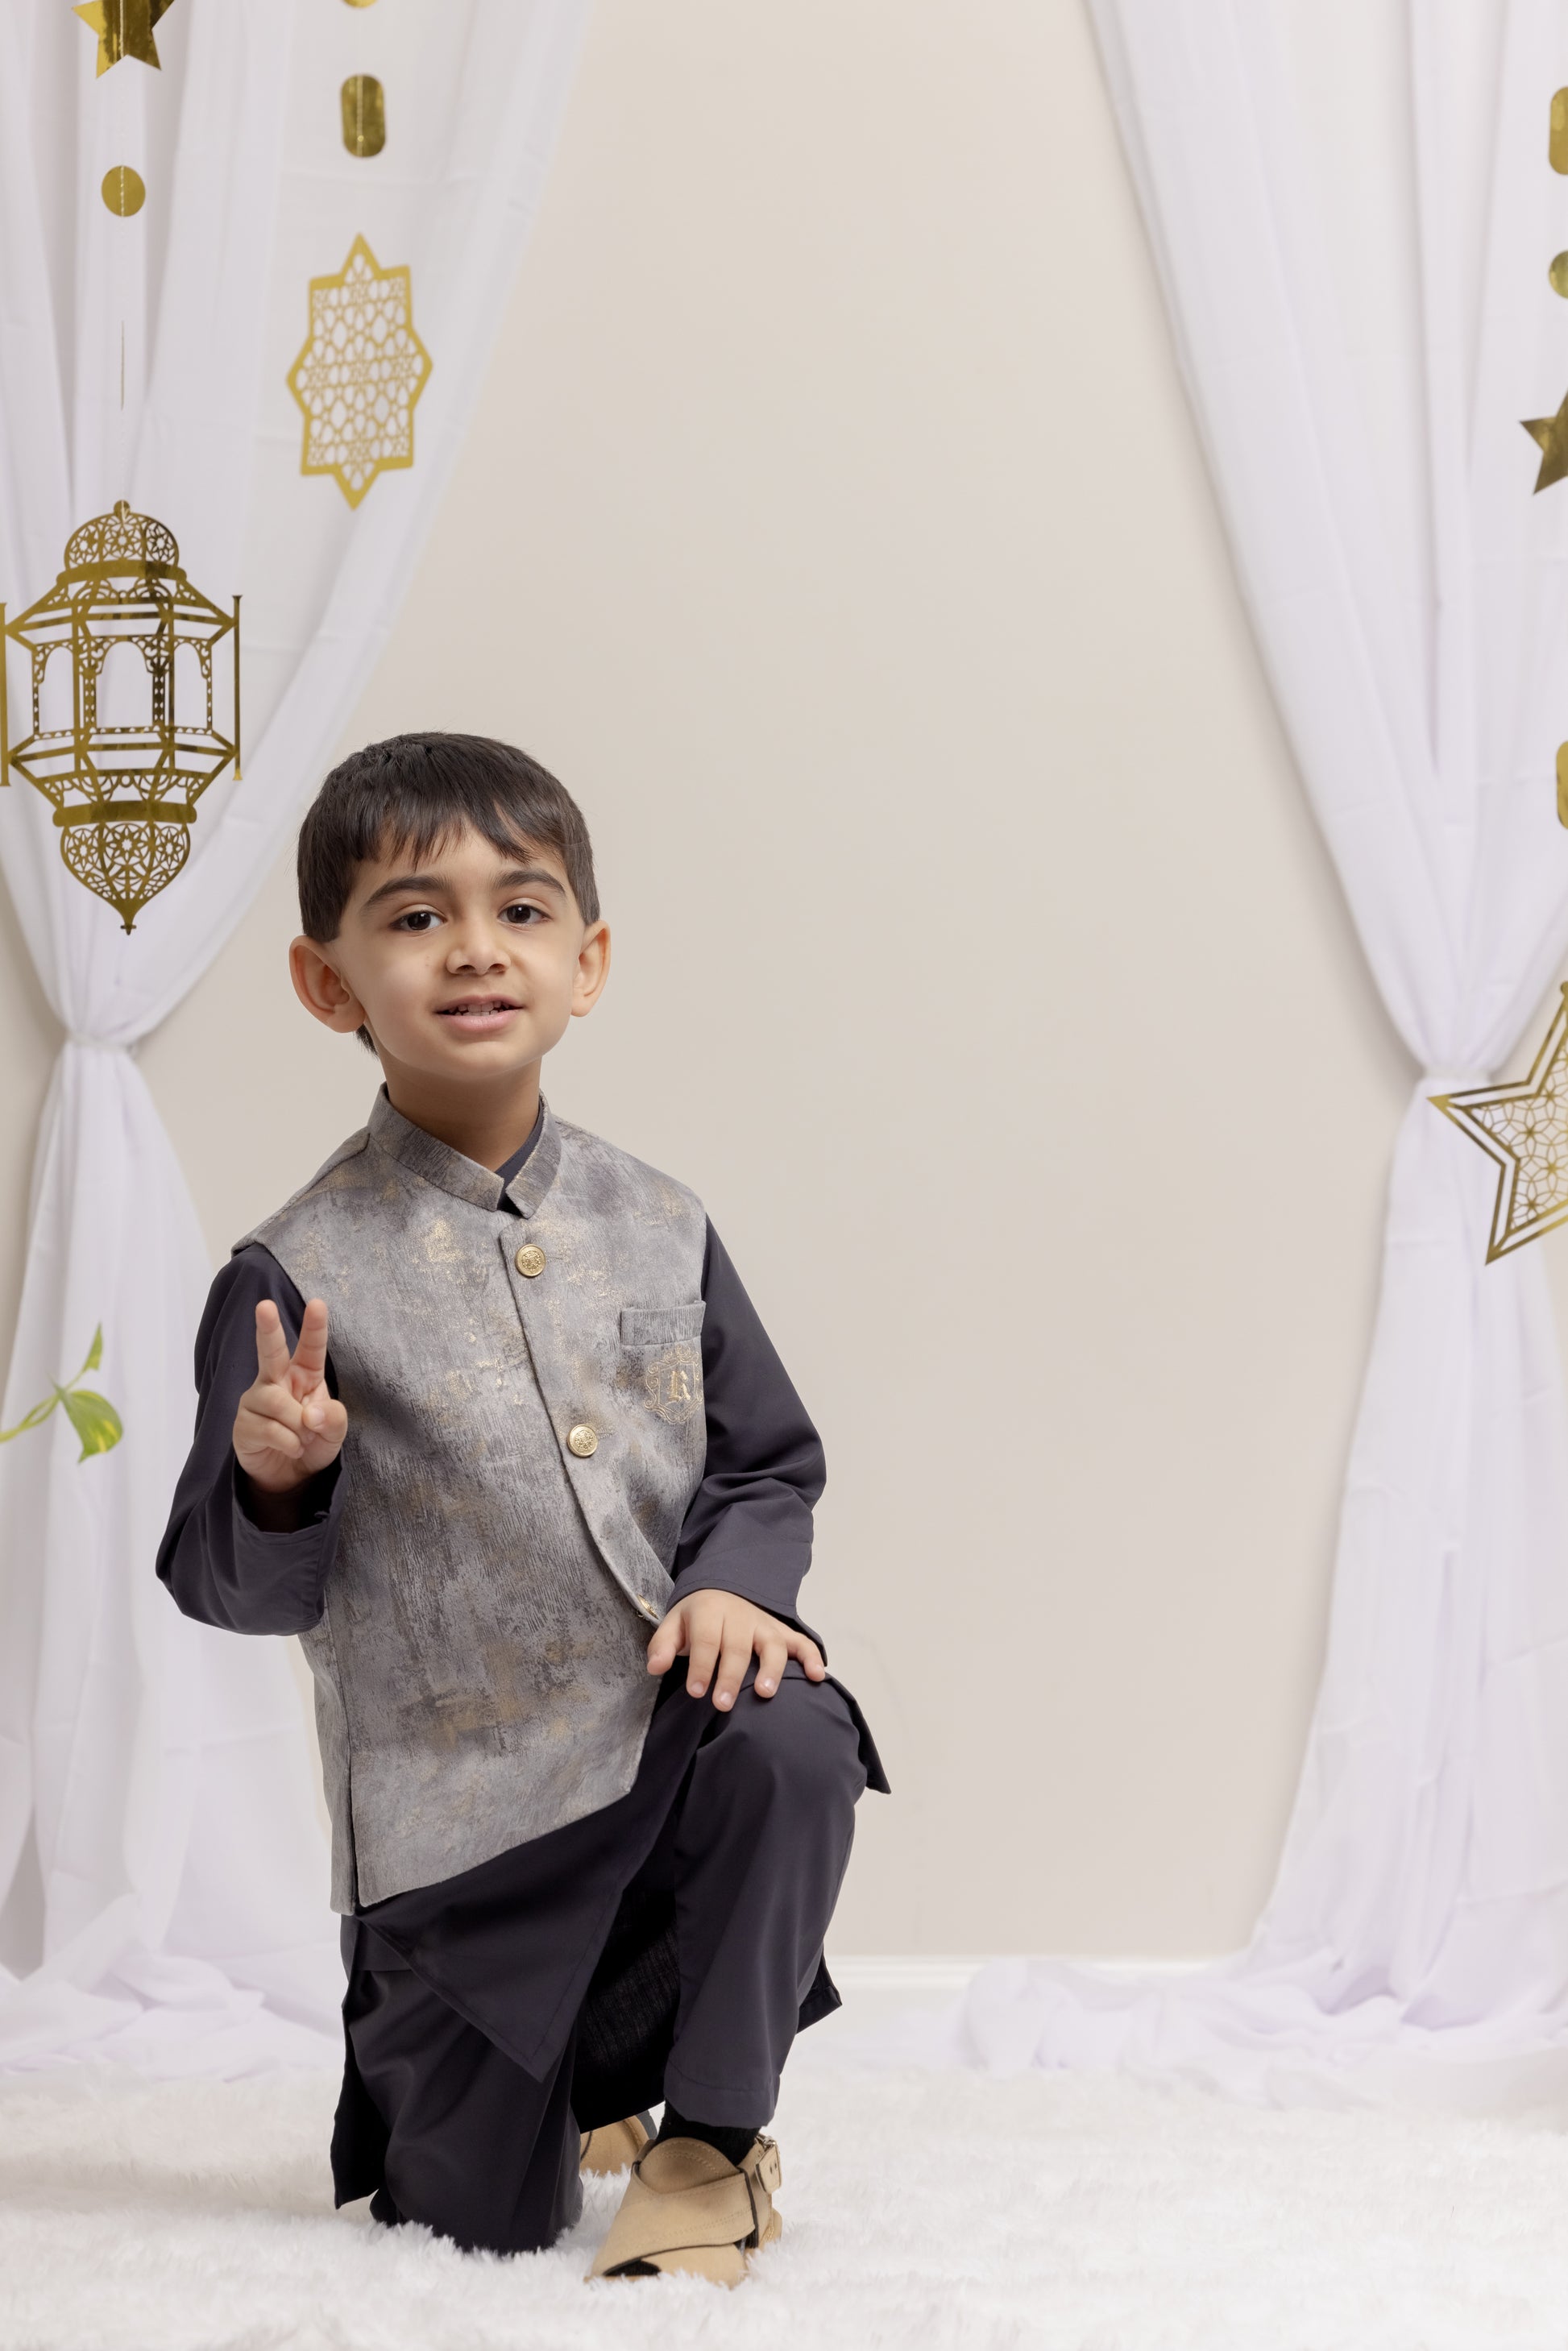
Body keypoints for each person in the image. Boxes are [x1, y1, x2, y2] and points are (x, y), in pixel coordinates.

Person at [157, 732, 886, 2285]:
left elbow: (764, 1461)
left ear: (585, 962)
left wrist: (737, 1586)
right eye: (416, 916)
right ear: (329, 983)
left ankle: (710, 2141)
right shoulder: (289, 1272)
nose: (477, 948)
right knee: (465, 2229)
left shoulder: (663, 1220)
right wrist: (277, 1478)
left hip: (656, 1761)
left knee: (791, 1724)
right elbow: (227, 1587)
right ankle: (569, 2074)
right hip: (457, 1859)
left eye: (522, 908)